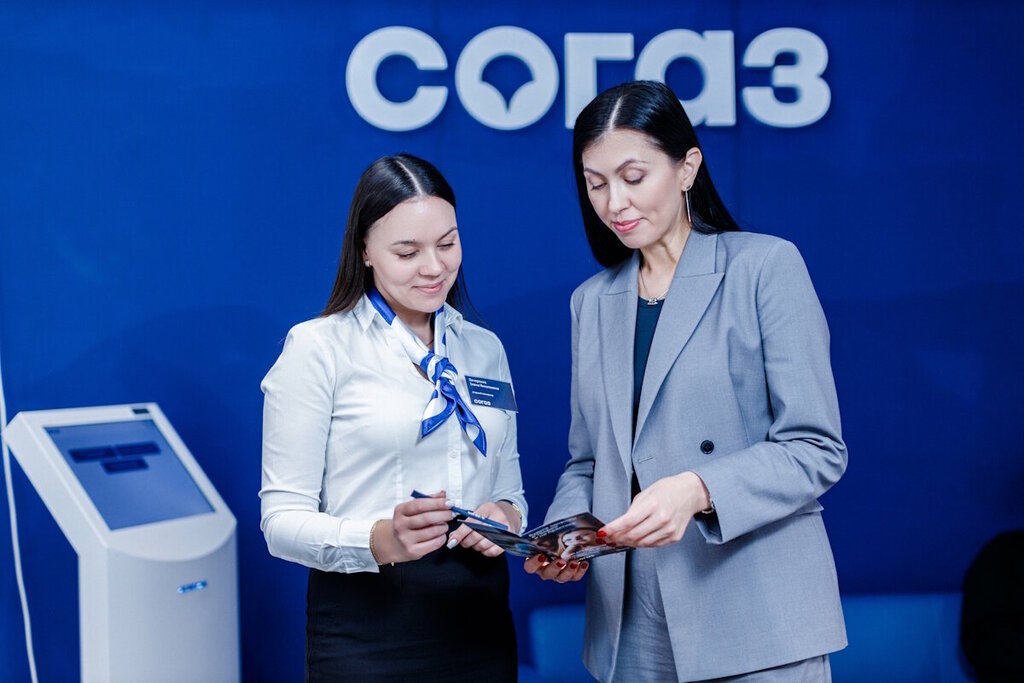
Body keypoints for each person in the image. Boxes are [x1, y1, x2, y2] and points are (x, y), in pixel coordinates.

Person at [525, 80, 847, 682]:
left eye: (633, 176)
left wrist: (698, 489)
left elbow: (815, 448)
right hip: (632, 622)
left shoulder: (764, 267)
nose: (614, 202)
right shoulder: (591, 302)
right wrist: (568, 533)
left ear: (687, 168)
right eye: (596, 184)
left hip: (755, 609)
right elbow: (587, 462)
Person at [260, 154, 527, 682]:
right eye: (407, 252)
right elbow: (280, 522)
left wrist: (505, 517)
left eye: (447, 244)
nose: (434, 267)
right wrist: (383, 538)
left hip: (481, 625)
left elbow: (510, 491)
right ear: (365, 250)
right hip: (368, 633)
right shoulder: (318, 349)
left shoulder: (485, 349)